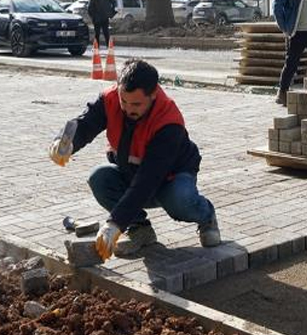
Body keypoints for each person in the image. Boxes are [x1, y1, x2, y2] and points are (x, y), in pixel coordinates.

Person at [50, 59, 219, 258]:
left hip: (170, 178)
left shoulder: (168, 122)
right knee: (100, 178)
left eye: (137, 104)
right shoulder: (110, 99)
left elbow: (146, 181)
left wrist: (115, 224)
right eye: (124, 101)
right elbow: (86, 123)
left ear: (153, 94)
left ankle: (206, 215)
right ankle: (140, 229)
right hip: (132, 170)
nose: (128, 109)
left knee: (179, 200)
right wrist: (66, 143)